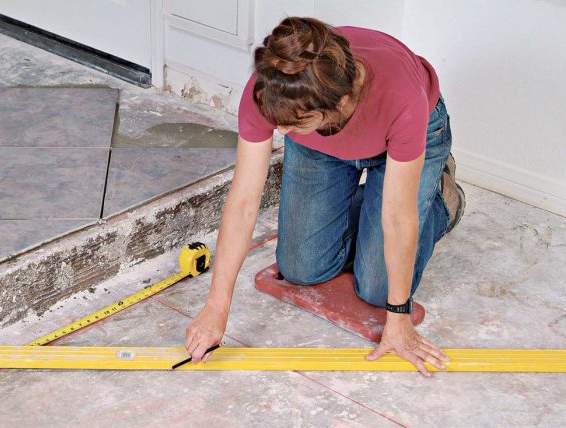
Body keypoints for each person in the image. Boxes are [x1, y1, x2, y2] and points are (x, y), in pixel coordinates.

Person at [184, 17, 465, 377]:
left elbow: (397, 217)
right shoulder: (274, 90)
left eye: (292, 123)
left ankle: (440, 198)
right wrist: (216, 308)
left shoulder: (400, 96)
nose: (279, 131)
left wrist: (398, 318)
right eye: (277, 121)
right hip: (320, 145)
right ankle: (375, 201)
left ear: (341, 102)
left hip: (412, 132)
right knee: (302, 268)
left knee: (379, 288)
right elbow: (242, 205)